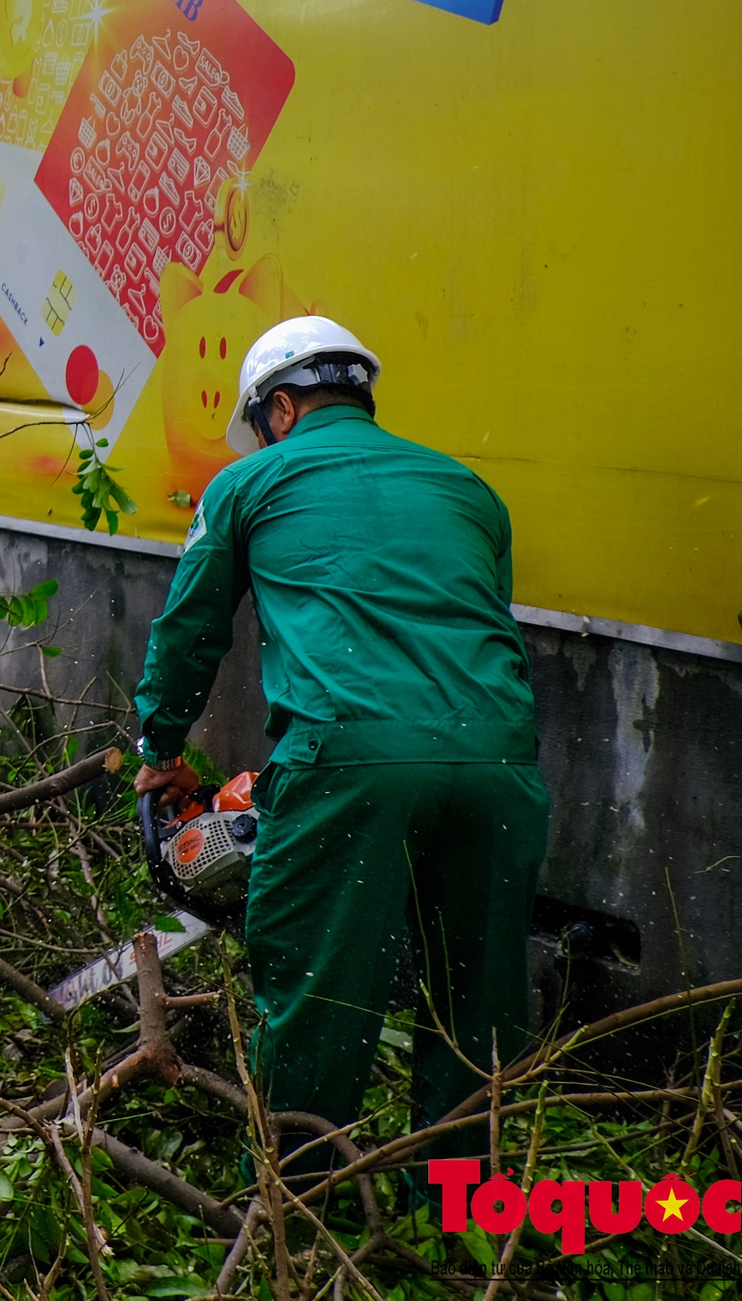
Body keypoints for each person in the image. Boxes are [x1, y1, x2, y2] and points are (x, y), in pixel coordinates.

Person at [131, 316, 545, 1180]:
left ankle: (296, 1209)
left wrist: (161, 744)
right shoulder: (469, 490)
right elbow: (480, 626)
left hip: (351, 762)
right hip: (499, 764)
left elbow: (191, 629)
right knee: (480, 1000)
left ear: (280, 407)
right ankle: (462, 1209)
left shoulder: (249, 483)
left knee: (319, 989)